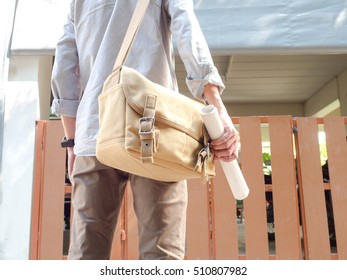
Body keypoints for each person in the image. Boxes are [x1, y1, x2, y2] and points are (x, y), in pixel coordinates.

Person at [51, 0, 239, 260]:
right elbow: (187, 28)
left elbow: (64, 63)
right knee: (161, 255)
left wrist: (72, 141)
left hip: (96, 130)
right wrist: (215, 104)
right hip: (154, 129)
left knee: (86, 254)